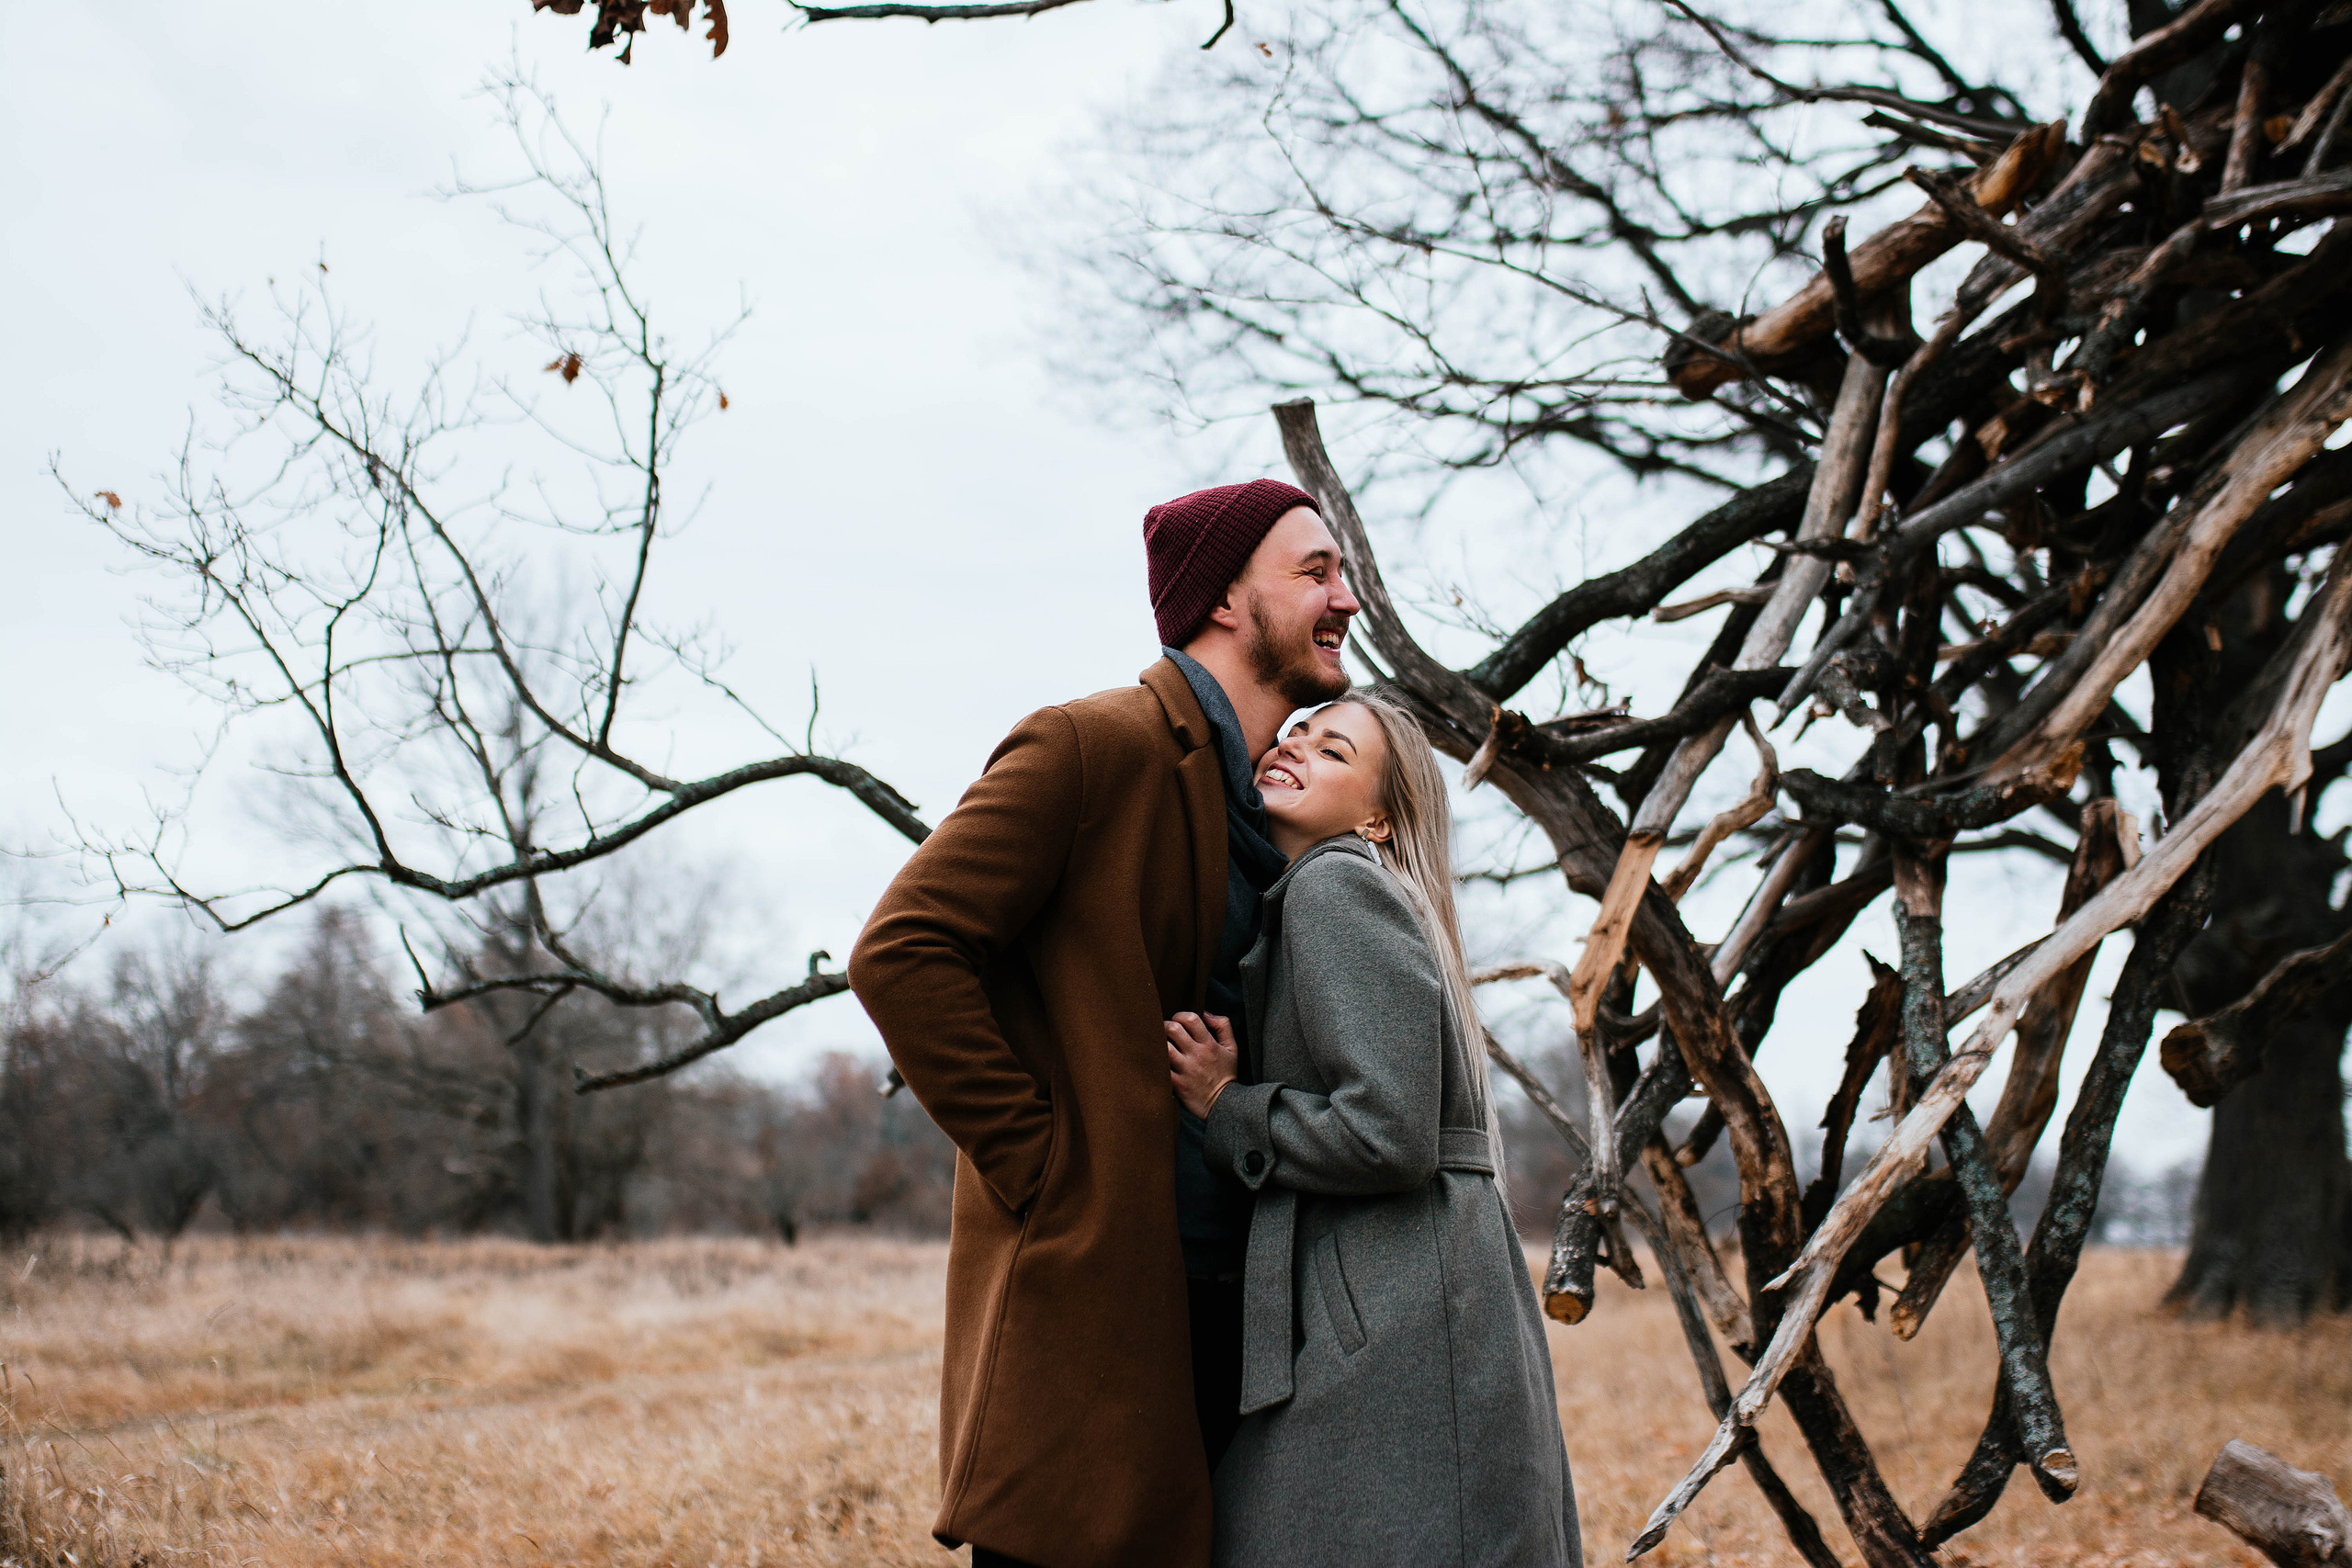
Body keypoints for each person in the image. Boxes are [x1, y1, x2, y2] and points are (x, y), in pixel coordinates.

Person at [847, 478, 1359, 1568]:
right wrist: (1049, 1169)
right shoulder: (1092, 745)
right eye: (1315, 571)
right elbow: (902, 950)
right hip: (1097, 1313)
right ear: (1225, 600)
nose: (1346, 597)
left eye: (1342, 571)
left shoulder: (1282, 808)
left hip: (1242, 1314)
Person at [1165, 691, 1582, 1568]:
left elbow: (1390, 1132)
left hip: (1399, 1314)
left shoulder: (1333, 883)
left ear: (1381, 818)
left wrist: (1228, 1104)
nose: (1295, 747)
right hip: (1418, 1295)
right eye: (1296, 734)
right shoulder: (1329, 892)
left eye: (1333, 752)